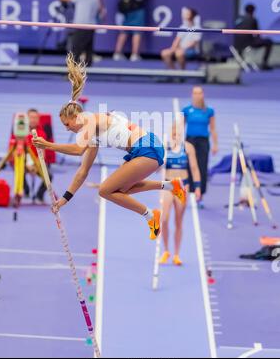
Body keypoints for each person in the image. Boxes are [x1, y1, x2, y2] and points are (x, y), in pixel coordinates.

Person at [32, 53, 187, 241]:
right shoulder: (91, 135)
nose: (67, 128)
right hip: (143, 151)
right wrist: (63, 200)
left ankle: (150, 215)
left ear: (75, 117)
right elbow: (82, 172)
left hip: (147, 148)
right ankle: (171, 186)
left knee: (105, 190)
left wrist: (47, 145)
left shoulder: (90, 118)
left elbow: (77, 150)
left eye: (67, 124)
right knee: (120, 191)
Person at [160, 122, 201, 266]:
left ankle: (176, 254)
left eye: (178, 133)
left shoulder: (188, 147)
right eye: (173, 133)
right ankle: (166, 250)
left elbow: (195, 168)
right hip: (168, 184)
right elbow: (157, 166)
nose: (176, 135)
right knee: (164, 219)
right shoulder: (165, 147)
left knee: (178, 221)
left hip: (182, 185)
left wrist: (197, 187)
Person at [182, 87, 218, 207]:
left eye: (199, 93)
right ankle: (186, 192)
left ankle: (200, 196)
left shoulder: (209, 111)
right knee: (188, 167)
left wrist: (215, 144)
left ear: (203, 94)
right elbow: (180, 126)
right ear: (192, 95)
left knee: (202, 167)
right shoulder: (187, 110)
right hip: (190, 140)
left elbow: (213, 128)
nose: (197, 95)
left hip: (203, 142)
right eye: (195, 93)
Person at [59, 0, 101, 67]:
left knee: (76, 49)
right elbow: (100, 8)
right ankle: (87, 67)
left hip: (81, 25)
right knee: (88, 48)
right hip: (91, 25)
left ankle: (73, 70)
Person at [24, 109, 52, 203]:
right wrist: (28, 165)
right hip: (24, 162)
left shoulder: (41, 133)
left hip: (38, 162)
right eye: (31, 117)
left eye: (35, 117)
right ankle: (25, 191)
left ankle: (39, 195)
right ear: (27, 118)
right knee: (18, 170)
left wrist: (36, 166)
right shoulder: (21, 132)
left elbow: (42, 153)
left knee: (49, 176)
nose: (33, 120)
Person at [235, 4, 273, 71]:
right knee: (269, 42)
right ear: (253, 11)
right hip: (249, 43)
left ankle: (241, 61)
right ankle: (264, 63)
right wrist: (259, 39)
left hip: (236, 43)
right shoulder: (253, 19)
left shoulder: (239, 19)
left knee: (242, 41)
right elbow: (257, 34)